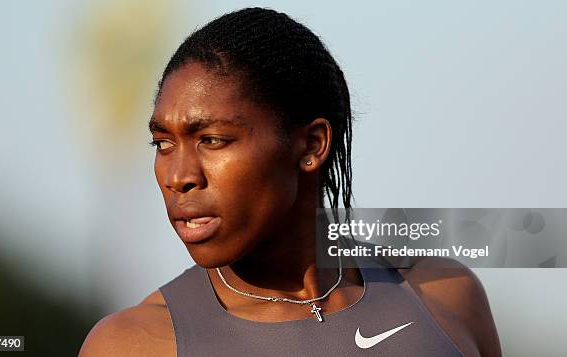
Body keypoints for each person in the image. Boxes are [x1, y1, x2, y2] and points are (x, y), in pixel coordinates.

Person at [80, 7, 501, 356]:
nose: (179, 177)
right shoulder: (133, 344)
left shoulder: (446, 297)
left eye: (212, 140)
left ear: (312, 145)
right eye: (163, 143)